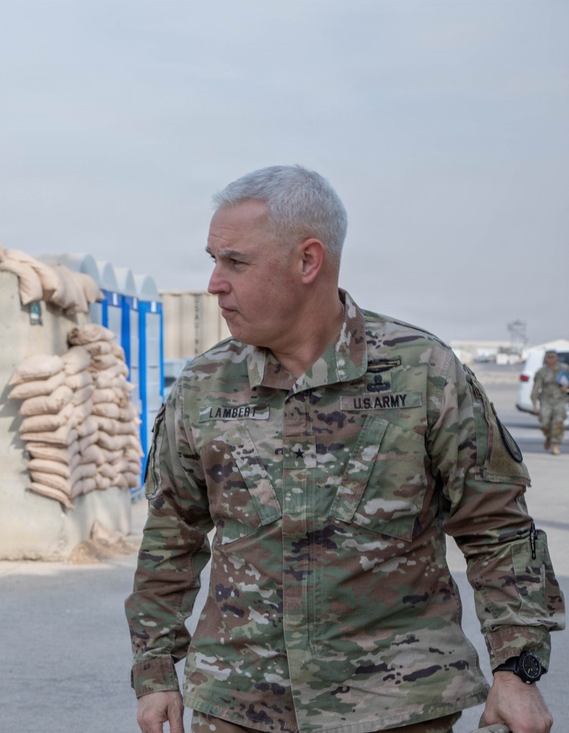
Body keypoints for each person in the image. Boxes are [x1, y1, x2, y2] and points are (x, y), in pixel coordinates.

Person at [124, 166, 564, 733]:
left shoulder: (422, 373)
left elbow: (498, 528)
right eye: (213, 259)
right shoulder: (204, 386)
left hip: (395, 706)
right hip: (238, 703)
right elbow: (171, 535)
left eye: (235, 261)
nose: (214, 283)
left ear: (309, 261)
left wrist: (517, 671)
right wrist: (156, 671)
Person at [530, 349, 569, 455]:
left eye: (553, 357)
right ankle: (548, 436)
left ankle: (555, 445)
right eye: (549, 357)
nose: (551, 359)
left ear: (556, 358)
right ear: (546, 358)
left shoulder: (564, 369)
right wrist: (534, 404)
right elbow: (536, 388)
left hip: (560, 400)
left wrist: (566, 387)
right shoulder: (541, 371)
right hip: (546, 400)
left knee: (558, 422)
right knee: (544, 423)